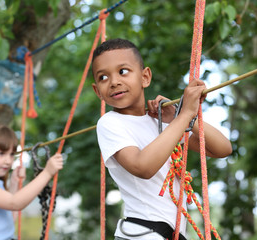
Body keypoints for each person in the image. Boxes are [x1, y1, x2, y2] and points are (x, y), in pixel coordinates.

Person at [91, 38, 232, 240]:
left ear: (145, 77)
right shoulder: (110, 123)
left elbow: (222, 149)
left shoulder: (163, 124)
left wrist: (183, 117)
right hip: (141, 232)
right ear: (97, 90)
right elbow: (143, 167)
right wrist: (184, 115)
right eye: (103, 77)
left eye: (123, 71)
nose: (114, 82)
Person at [0, 124, 63, 240]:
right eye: (1, 153)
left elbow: (9, 218)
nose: (8, 161)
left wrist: (14, 184)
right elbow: (14, 203)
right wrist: (47, 173)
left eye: (12, 154)